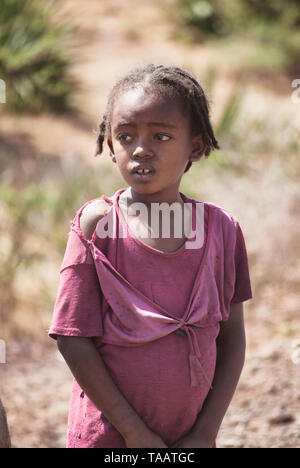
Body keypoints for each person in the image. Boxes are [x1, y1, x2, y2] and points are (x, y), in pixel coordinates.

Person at [49, 64, 253, 448]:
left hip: (189, 438)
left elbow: (232, 337)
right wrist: (136, 434)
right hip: (111, 439)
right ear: (111, 147)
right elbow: (72, 338)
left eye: (161, 135)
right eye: (126, 136)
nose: (141, 149)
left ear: (195, 146)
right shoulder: (97, 226)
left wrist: (206, 431)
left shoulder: (221, 230)